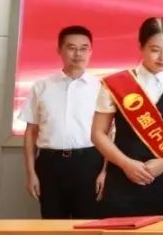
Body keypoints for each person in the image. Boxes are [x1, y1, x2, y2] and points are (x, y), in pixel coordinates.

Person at [91, 17, 163, 218]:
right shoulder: (117, 84)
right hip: (123, 179)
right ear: (141, 47)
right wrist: (126, 164)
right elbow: (98, 134)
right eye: (155, 50)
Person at [21, 25, 105, 219]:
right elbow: (31, 132)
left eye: (84, 48)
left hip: (89, 163)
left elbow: (110, 133)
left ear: (91, 51)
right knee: (52, 224)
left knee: (88, 225)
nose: (78, 54)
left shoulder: (101, 88)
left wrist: (105, 172)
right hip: (50, 164)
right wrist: (31, 173)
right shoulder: (42, 86)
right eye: (71, 48)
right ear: (59, 50)